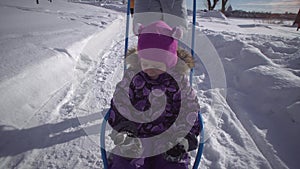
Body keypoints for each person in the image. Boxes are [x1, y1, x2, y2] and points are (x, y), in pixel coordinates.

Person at [107, 21, 201, 169]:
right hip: (136, 135)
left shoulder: (179, 82)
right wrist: (125, 129)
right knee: (123, 163)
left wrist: (183, 137)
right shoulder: (133, 78)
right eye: (146, 64)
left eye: (157, 66)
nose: (150, 70)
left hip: (169, 137)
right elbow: (120, 102)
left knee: (174, 165)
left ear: (170, 63)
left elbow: (189, 109)